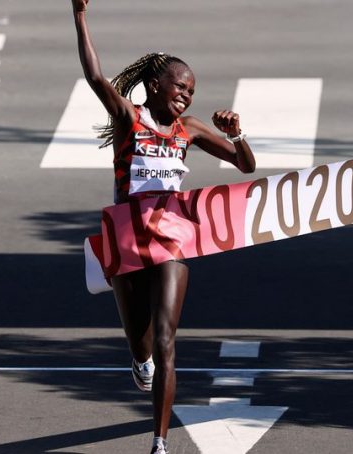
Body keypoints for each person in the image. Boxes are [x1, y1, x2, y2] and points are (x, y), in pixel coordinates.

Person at [71, 1, 256, 453]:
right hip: (127, 236)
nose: (186, 96)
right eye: (179, 86)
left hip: (172, 236)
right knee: (143, 343)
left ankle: (159, 443)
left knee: (168, 339)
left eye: (191, 90)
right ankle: (139, 359)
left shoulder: (189, 129)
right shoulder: (129, 119)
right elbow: (97, 78)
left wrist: (235, 134)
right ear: (155, 86)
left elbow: (245, 165)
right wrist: (79, 16)